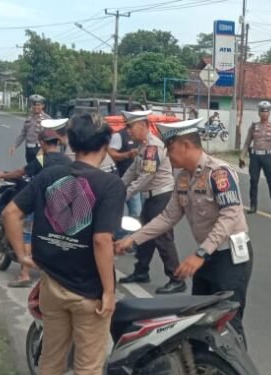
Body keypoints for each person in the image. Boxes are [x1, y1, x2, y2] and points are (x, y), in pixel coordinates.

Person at [1, 112, 123, 375]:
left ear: (70, 141)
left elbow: (10, 213)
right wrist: (109, 291)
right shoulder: (109, 185)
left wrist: (22, 256)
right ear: (105, 145)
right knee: (87, 369)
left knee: (51, 360)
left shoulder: (49, 175)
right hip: (87, 292)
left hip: (51, 285)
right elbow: (102, 240)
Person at [115, 118, 252, 340]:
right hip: (206, 256)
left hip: (229, 257)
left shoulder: (219, 173)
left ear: (186, 145)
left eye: (170, 148)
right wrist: (134, 239)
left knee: (229, 323)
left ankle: (237, 363)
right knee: (200, 318)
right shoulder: (183, 179)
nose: (167, 155)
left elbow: (230, 215)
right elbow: (168, 216)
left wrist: (200, 254)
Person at [0, 125, 72, 288]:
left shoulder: (42, 159)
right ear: (57, 142)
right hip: (62, 207)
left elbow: (21, 172)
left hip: (40, 204)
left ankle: (24, 275)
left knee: (27, 234)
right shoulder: (67, 161)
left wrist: (3, 175)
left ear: (42, 143)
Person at [117, 110, 185, 294]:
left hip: (161, 197)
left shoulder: (153, 147)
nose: (128, 131)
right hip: (151, 197)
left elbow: (146, 176)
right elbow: (132, 171)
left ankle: (177, 279)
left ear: (142, 125)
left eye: (130, 127)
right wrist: (118, 189)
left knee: (162, 238)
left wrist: (125, 195)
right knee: (144, 235)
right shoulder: (143, 146)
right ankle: (141, 271)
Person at [241, 101, 271, 215]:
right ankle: (253, 205)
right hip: (255, 157)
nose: (264, 114)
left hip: (267, 157)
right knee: (253, 181)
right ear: (259, 113)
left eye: (266, 111)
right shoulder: (253, 127)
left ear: (269, 113)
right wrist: (242, 157)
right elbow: (247, 143)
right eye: (262, 111)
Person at [107, 122, 142, 220]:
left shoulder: (142, 139)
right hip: (124, 178)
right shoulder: (119, 136)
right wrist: (127, 154)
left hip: (138, 181)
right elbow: (111, 154)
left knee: (139, 212)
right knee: (135, 212)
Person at [10, 95, 50, 167]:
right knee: (30, 168)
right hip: (29, 149)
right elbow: (23, 134)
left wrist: (44, 149)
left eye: (38, 105)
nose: (36, 107)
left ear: (43, 106)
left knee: (40, 168)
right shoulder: (29, 118)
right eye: (34, 105)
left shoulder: (47, 119)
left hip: (40, 149)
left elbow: (51, 136)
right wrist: (15, 146)